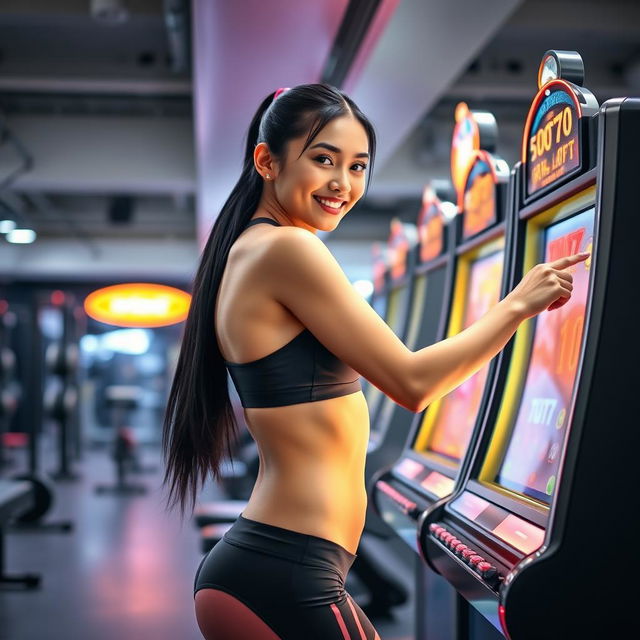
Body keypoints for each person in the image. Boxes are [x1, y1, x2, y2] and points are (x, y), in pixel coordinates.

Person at [161, 84, 587, 640]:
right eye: (323, 160)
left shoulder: (253, 247)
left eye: (358, 166)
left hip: (273, 564)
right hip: (289, 571)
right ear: (267, 161)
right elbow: (413, 382)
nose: (343, 183)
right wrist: (518, 305)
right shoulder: (286, 248)